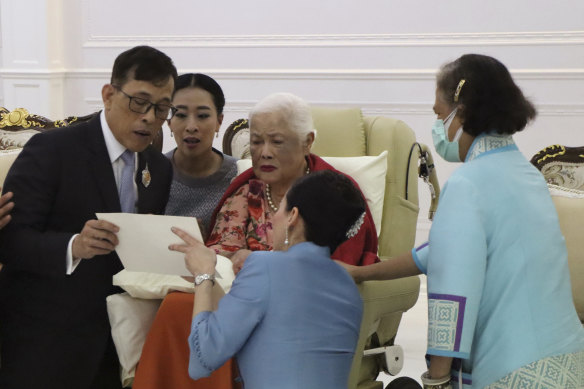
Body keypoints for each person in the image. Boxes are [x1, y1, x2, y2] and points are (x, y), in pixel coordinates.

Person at [341, 54, 584, 389]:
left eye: (440, 114)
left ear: (463, 113)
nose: (439, 126)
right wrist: (363, 272)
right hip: (568, 361)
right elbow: (440, 252)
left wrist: (437, 379)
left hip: (510, 373)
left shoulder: (466, 184)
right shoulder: (526, 174)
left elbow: (453, 288)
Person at [133, 92, 379, 389]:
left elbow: (325, 273)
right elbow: (223, 246)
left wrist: (210, 274)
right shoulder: (246, 188)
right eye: (257, 141)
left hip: (278, 308)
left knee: (195, 316)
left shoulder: (335, 195)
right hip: (247, 295)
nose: (263, 152)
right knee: (176, 305)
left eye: (276, 141)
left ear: (307, 141)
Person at [0, 45, 177, 389]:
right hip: (45, 338)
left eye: (162, 108)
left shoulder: (159, 168)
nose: (150, 117)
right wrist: (74, 246)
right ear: (109, 95)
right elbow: (10, 242)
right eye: (139, 102)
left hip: (119, 341)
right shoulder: (51, 150)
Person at [170, 170, 364, 389]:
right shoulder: (349, 288)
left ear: (293, 216)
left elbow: (203, 358)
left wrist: (204, 275)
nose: (273, 217)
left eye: (280, 207)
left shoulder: (265, 266)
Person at [165, 73, 237, 237]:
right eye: (181, 115)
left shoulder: (240, 177)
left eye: (203, 116)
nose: (191, 126)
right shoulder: (150, 173)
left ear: (219, 121)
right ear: (169, 122)